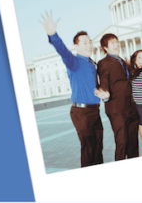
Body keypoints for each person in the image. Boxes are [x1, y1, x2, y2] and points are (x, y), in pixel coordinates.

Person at [40, 12, 103, 167]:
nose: (89, 45)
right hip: (82, 113)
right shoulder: (74, 62)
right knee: (88, 150)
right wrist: (52, 34)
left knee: (98, 149)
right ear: (76, 46)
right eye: (84, 43)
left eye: (90, 42)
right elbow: (63, 51)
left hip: (94, 111)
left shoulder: (91, 64)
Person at [95, 34, 139, 160]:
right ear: (105, 47)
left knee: (133, 144)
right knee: (122, 142)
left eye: (117, 42)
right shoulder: (104, 63)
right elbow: (104, 80)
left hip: (130, 107)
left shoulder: (122, 61)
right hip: (116, 109)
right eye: (112, 43)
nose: (117, 45)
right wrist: (105, 93)